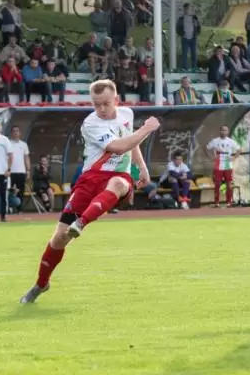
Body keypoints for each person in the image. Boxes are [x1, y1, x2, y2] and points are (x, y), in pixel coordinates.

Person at [19, 80, 160, 303]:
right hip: (90, 179)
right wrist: (147, 129)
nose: (101, 109)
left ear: (116, 100)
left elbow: (130, 141)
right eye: (96, 104)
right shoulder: (91, 123)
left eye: (105, 103)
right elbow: (119, 147)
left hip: (118, 176)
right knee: (59, 239)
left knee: (119, 184)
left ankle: (81, 223)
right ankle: (41, 284)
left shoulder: (126, 113)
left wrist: (142, 167)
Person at [207, 125, 241, 207]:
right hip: (218, 163)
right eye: (222, 130)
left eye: (225, 130)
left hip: (227, 163)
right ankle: (216, 202)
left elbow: (239, 149)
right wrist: (211, 157)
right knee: (217, 184)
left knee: (229, 184)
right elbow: (207, 147)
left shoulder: (230, 141)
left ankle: (229, 202)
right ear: (220, 131)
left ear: (228, 132)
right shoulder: (215, 141)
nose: (224, 132)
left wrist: (234, 158)